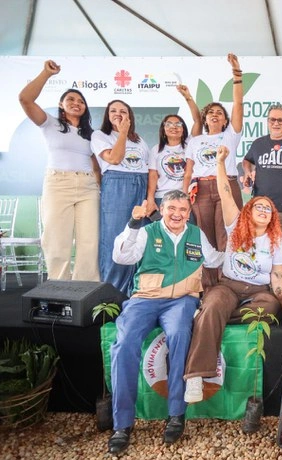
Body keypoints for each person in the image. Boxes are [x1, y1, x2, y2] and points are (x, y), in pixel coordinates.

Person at [107, 190, 224, 455]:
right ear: (161, 209)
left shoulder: (196, 234)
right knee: (124, 344)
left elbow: (215, 259)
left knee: (180, 335)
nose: (177, 214)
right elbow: (122, 257)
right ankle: (122, 424)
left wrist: (243, 252)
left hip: (181, 300)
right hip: (145, 299)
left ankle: (176, 414)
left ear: (189, 212)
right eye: (171, 208)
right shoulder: (147, 232)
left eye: (182, 210)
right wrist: (133, 224)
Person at [184, 146, 282, 402]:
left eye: (268, 209)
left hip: (259, 292)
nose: (263, 210)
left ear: (273, 217)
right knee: (216, 302)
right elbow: (225, 192)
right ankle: (196, 376)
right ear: (249, 211)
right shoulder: (235, 226)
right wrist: (220, 163)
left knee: (271, 308)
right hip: (229, 286)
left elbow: (278, 279)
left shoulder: (278, 243)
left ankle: (209, 316)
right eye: (258, 206)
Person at [18, 60, 100, 281]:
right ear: (61, 104)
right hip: (58, 183)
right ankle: (59, 286)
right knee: (56, 239)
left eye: (81, 101)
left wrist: (97, 185)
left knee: (89, 240)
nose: (76, 103)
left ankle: (85, 287)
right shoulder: (49, 123)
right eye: (70, 99)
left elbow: (96, 165)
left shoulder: (91, 134)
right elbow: (25, 99)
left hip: (88, 187)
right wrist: (46, 73)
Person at [183, 54, 244, 289]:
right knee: (205, 238)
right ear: (205, 119)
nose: (215, 115)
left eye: (220, 113)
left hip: (226, 184)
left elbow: (238, 104)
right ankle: (209, 288)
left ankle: (229, 284)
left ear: (225, 120)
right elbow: (188, 172)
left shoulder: (231, 135)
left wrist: (236, 74)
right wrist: (184, 195)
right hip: (201, 189)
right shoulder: (195, 140)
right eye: (211, 113)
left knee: (227, 234)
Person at [243, 104, 282, 286]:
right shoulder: (258, 144)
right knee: (259, 254)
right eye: (272, 119)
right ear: (267, 121)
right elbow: (246, 160)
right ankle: (263, 295)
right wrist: (247, 172)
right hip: (261, 213)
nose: (276, 123)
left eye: (280, 120)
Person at [91, 99, 150, 295]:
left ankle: (135, 291)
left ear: (130, 116)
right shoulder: (100, 135)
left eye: (123, 111)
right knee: (116, 236)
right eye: (113, 111)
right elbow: (114, 158)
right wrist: (122, 132)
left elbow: (148, 167)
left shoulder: (139, 139)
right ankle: (112, 293)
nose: (118, 114)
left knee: (138, 236)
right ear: (107, 116)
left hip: (141, 183)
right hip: (117, 184)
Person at [146, 86, 202, 219]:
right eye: (169, 124)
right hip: (162, 198)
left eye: (178, 124)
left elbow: (198, 121)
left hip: (186, 197)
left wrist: (188, 98)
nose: (174, 127)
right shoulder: (156, 149)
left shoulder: (190, 144)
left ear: (183, 129)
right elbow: (153, 176)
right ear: (163, 129)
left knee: (187, 231)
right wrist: (150, 198)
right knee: (163, 232)